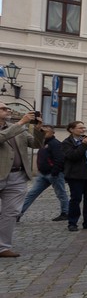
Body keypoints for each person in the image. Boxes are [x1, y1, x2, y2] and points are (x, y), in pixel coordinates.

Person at [1, 106, 44, 258]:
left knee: (11, 212)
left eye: (7, 108)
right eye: (3, 108)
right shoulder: (18, 126)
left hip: (17, 176)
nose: (8, 110)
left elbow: (36, 144)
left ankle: (3, 247)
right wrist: (21, 123)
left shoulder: (17, 128)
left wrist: (38, 129)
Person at [19, 125, 68, 222]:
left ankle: (65, 213)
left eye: (46, 132)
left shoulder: (55, 144)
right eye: (42, 132)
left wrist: (55, 172)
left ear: (53, 133)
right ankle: (18, 213)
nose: (44, 134)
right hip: (42, 174)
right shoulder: (41, 142)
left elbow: (60, 159)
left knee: (61, 194)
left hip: (54, 174)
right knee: (32, 194)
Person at [61, 120, 87, 232]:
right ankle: (72, 223)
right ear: (71, 130)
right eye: (80, 128)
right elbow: (73, 156)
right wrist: (83, 144)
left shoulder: (86, 140)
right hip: (76, 175)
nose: (83, 130)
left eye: (84, 128)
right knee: (76, 199)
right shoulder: (67, 143)